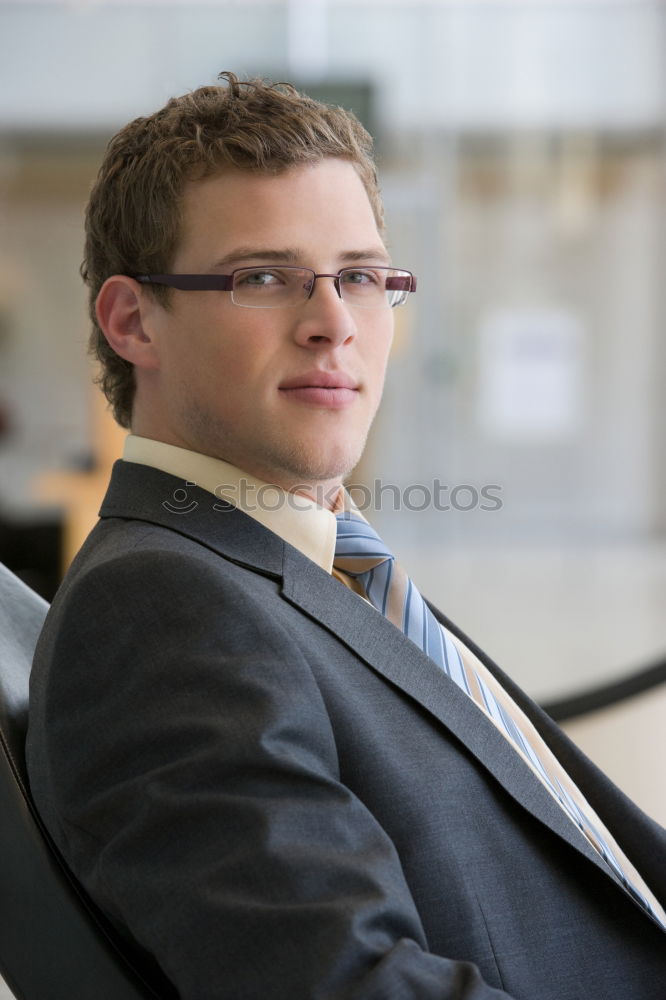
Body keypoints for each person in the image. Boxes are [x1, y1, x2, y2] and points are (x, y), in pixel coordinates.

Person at [27, 72, 666, 1000]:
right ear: (134, 321)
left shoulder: (320, 569)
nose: (334, 326)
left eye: (361, 277)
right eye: (264, 278)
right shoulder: (162, 613)